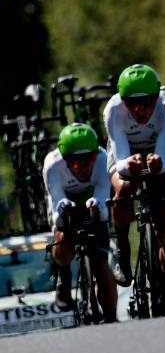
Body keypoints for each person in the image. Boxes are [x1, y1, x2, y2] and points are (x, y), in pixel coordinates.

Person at [104, 64, 165, 315]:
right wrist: (129, 165)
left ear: (155, 98)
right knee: (124, 186)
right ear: (123, 101)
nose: (140, 109)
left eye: (146, 102)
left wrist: (157, 161)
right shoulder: (113, 110)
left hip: (160, 152)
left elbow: (164, 154)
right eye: (133, 103)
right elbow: (122, 160)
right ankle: (122, 246)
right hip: (126, 154)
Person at [42, 123, 117, 322]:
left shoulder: (102, 158)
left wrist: (97, 206)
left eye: (88, 160)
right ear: (65, 159)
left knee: (101, 261)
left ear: (95, 154)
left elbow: (102, 195)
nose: (82, 168)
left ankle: (111, 317)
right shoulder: (52, 164)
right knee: (62, 234)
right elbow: (56, 200)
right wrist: (64, 208)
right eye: (75, 163)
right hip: (63, 200)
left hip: (93, 198)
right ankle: (63, 275)